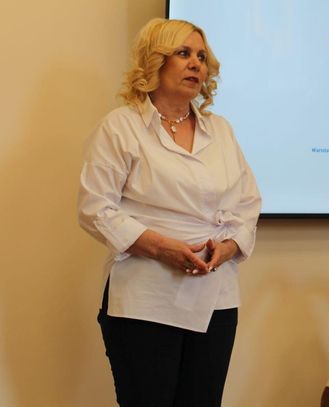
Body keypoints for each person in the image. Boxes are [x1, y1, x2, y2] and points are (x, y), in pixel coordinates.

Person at [77, 18, 261, 407]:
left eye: (201, 56)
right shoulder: (121, 127)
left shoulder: (221, 130)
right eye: (183, 53)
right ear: (156, 61)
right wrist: (162, 248)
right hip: (146, 299)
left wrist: (228, 248)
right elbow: (95, 208)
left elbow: (248, 204)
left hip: (217, 298)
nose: (196, 63)